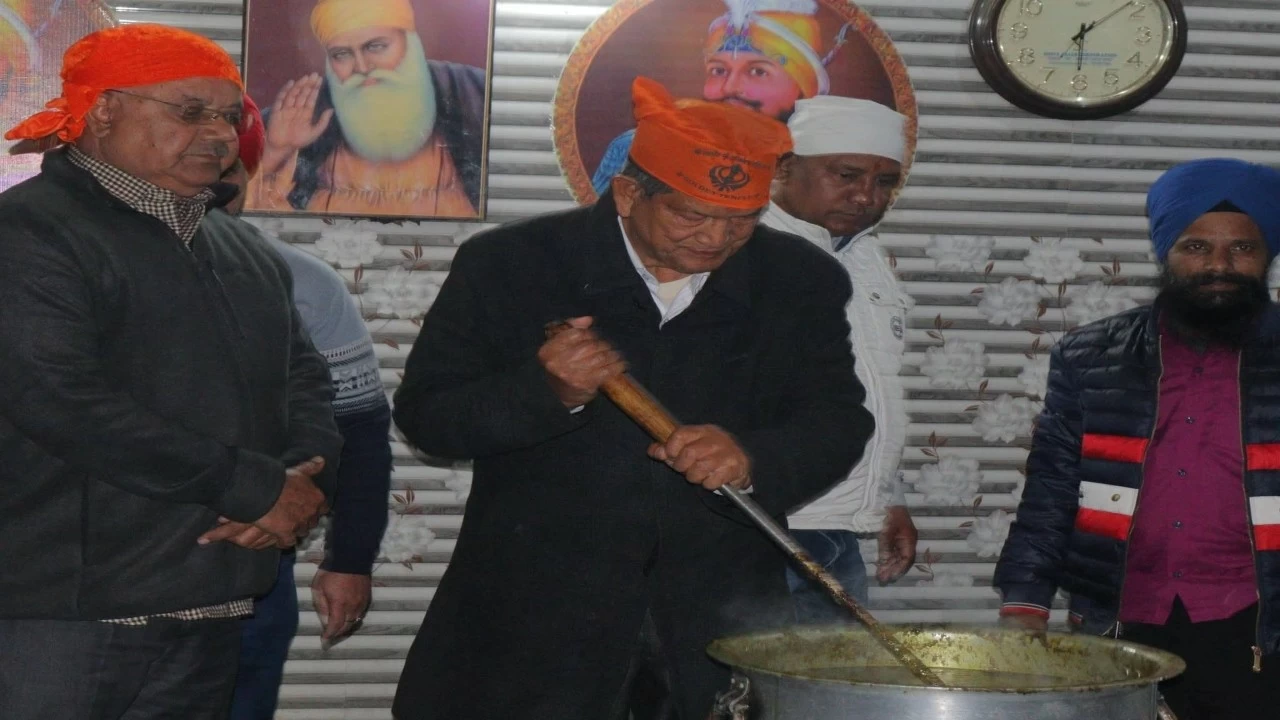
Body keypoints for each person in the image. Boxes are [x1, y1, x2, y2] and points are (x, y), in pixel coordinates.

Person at [390, 76, 872, 719]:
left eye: (741, 221)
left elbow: (836, 419)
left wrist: (752, 456)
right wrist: (545, 390)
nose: (714, 240)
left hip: (717, 607)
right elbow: (429, 415)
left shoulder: (798, 280)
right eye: (689, 214)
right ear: (627, 193)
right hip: (537, 607)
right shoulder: (514, 264)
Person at [0, 25, 342, 720]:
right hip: (67, 614)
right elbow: (60, 400)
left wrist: (297, 479)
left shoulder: (243, 248)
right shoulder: (30, 232)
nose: (218, 133)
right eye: (190, 111)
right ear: (102, 112)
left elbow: (304, 380)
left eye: (230, 115)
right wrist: (251, 487)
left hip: (211, 603)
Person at [994, 158, 1280, 719]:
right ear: (1165, 252)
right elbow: (1052, 487)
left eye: (1242, 249)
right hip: (1119, 616)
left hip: (1256, 627)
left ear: (1267, 255)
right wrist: (1024, 602)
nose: (1218, 265)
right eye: (1196, 247)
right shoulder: (1089, 355)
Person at [224, 95, 394, 720]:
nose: (209, 185)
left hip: (253, 568)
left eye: (227, 169)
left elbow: (361, 430)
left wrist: (349, 558)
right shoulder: (74, 268)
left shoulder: (300, 282)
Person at [761, 96, 917, 620]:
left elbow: (869, 389)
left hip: (839, 530)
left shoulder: (866, 257)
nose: (865, 196)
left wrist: (884, 499)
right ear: (785, 168)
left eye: (884, 182)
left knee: (829, 693)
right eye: (846, 175)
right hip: (766, 526)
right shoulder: (741, 251)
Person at [245, 0, 487, 218]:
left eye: (376, 47)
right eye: (342, 54)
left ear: (410, 42)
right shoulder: (299, 114)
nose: (362, 67)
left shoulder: (474, 95)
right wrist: (276, 152)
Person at [591, 0, 836, 195]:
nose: (730, 87)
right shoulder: (638, 146)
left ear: (804, 89)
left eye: (757, 71)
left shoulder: (830, 170)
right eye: (718, 70)